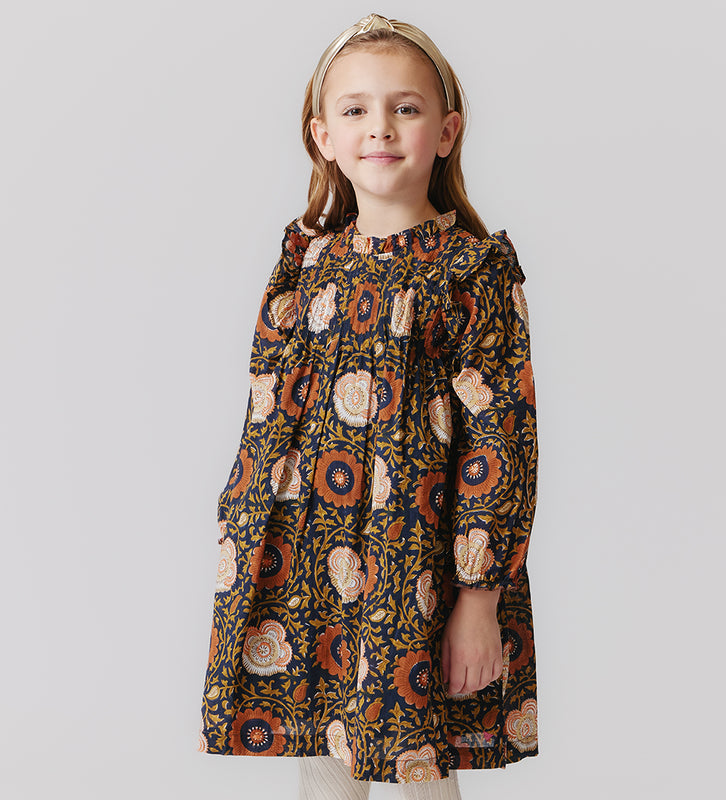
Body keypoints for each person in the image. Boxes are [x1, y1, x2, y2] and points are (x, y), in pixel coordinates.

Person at [198, 13, 539, 800]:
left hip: (417, 566)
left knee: (421, 764)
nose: (379, 127)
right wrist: (238, 529)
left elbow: (503, 443)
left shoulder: (470, 272)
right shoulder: (308, 266)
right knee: (322, 759)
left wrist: (479, 600)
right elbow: (267, 414)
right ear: (323, 136)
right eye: (355, 109)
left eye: (404, 108)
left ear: (446, 131)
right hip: (304, 560)